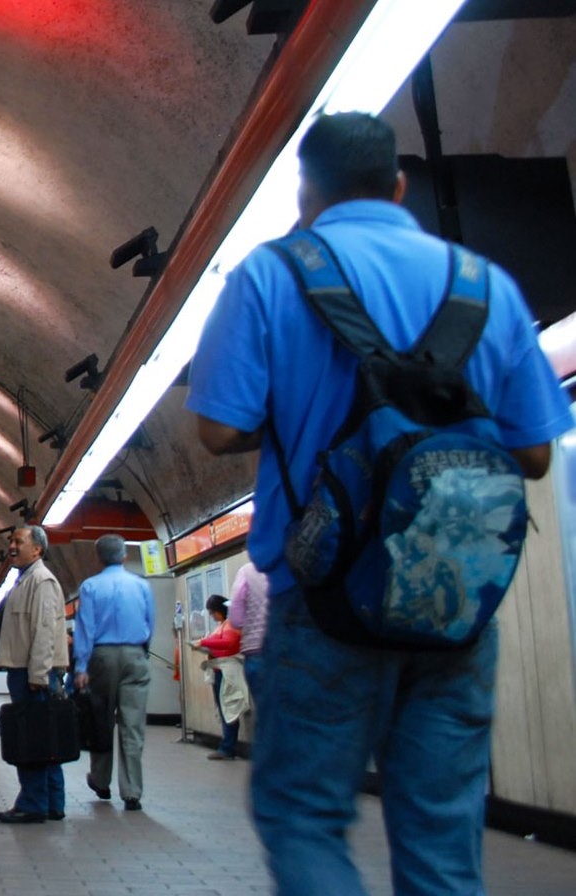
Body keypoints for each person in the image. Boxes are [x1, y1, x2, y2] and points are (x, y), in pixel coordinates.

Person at [187, 111, 574, 894]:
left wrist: (310, 411)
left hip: (321, 601)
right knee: (440, 830)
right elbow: (534, 452)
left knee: (303, 814)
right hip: (452, 604)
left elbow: (218, 431)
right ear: (398, 185)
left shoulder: (267, 277)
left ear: (305, 192)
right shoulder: (483, 284)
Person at [0, 524, 69, 823]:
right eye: (11, 541)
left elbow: (44, 631)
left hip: (31, 674)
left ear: (37, 549)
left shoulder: (41, 581)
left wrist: (38, 675)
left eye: (18, 541)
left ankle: (34, 804)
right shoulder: (26, 580)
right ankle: (52, 803)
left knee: (31, 740)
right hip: (28, 672)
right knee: (44, 739)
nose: (12, 546)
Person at [71, 534, 154, 811]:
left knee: (100, 721)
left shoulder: (90, 586)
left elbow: (85, 628)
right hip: (135, 654)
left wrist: (81, 666)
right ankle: (132, 792)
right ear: (124, 556)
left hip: (101, 658)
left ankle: (101, 780)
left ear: (98, 558)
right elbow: (149, 622)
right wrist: (142, 651)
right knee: (132, 725)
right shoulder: (141, 585)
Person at [190, 594, 245, 760]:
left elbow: (228, 643)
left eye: (213, 612)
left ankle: (228, 747)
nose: (212, 616)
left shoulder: (231, 624)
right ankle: (227, 745)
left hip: (228, 671)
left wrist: (204, 643)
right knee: (224, 709)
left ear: (220, 610)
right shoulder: (223, 625)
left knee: (228, 708)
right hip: (220, 670)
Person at [227, 561, 269, 706]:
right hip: (293, 649)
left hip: (256, 649)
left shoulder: (247, 571)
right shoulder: (297, 562)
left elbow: (236, 620)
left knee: (266, 710)